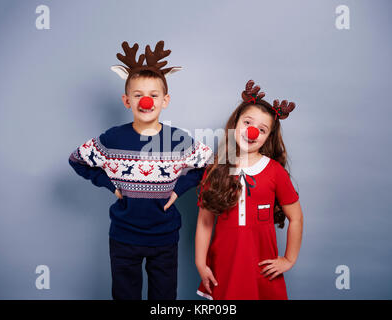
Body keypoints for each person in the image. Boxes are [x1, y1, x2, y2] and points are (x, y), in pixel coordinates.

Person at [68, 40, 213, 300]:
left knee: (164, 298)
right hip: (124, 236)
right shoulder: (112, 139)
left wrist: (179, 190)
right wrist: (109, 184)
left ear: (165, 100)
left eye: (154, 95)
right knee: (125, 295)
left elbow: (208, 165)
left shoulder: (178, 140)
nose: (146, 101)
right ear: (127, 100)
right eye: (138, 95)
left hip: (165, 237)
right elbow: (77, 159)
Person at [195, 80, 303, 300]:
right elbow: (205, 221)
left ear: (267, 138)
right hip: (224, 264)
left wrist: (289, 259)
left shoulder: (275, 172)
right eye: (247, 123)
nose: (252, 132)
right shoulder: (216, 169)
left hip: (261, 267)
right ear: (235, 123)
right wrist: (200, 262)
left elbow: (297, 218)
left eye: (262, 130)